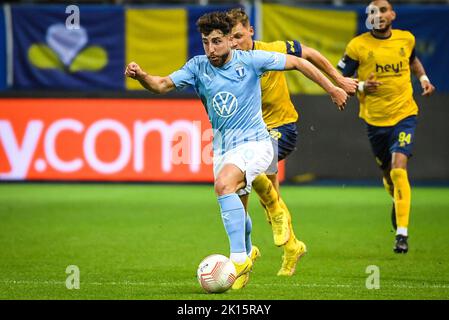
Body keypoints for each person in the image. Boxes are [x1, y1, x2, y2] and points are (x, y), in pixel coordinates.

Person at [125, 11, 347, 289]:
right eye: (206, 42)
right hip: (224, 150)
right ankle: (248, 251)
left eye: (217, 41)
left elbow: (300, 62)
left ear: (230, 40)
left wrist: (333, 88)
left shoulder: (252, 60)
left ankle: (239, 259)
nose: (211, 49)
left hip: (257, 143)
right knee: (238, 209)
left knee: (224, 185)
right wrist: (142, 75)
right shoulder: (197, 67)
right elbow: (160, 85)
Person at [226, 8, 358, 276]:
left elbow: (308, 54)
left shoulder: (272, 50)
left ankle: (255, 244)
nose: (235, 42)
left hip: (280, 129)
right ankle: (291, 246)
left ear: (250, 31)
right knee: (253, 194)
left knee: (257, 174)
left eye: (239, 36)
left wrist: (337, 81)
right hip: (250, 135)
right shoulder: (229, 66)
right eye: (230, 38)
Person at [337, 0, 435, 253]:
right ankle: (397, 199)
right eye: (373, 11)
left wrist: (423, 78)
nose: (378, 15)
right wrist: (360, 86)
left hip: (404, 114)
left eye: (382, 10)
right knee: (389, 176)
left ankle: (402, 234)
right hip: (375, 120)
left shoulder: (406, 39)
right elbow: (338, 77)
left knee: (399, 168)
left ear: (393, 14)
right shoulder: (358, 45)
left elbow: (413, 61)